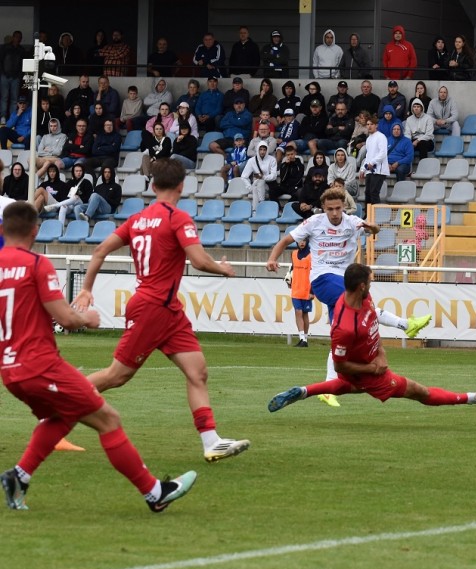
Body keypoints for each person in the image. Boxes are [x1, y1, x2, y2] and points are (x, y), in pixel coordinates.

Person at [0, 202, 198, 513]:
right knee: (109, 420)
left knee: (63, 416)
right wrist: (87, 319)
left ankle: (19, 477)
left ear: (2, 230)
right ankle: (154, 492)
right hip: (40, 366)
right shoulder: (37, 265)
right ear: (36, 230)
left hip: (10, 371)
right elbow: (65, 318)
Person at [73, 159, 250, 463]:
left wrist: (86, 288)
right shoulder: (178, 218)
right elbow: (198, 260)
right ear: (182, 186)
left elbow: (99, 250)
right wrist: (223, 269)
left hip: (168, 310)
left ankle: (211, 441)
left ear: (153, 186)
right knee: (117, 376)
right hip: (154, 307)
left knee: (198, 372)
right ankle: (59, 401)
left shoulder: (138, 219)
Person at [267, 263, 476, 413]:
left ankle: (303, 391)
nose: (373, 284)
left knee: (348, 387)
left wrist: (381, 352)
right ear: (361, 286)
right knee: (421, 393)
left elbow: (374, 328)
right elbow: (340, 364)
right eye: (371, 280)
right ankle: (475, 398)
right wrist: (374, 368)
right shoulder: (344, 326)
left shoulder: (363, 299)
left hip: (369, 363)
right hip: (365, 371)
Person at [265, 191, 432, 378]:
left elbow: (374, 229)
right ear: (324, 208)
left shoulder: (352, 222)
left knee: (338, 334)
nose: (334, 213)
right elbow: (286, 240)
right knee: (363, 299)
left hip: (344, 279)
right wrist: (272, 258)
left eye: (338, 208)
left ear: (343, 206)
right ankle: (404, 324)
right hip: (322, 278)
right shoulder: (314, 222)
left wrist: (372, 228)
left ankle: (329, 386)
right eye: (330, 209)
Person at [359, 114, 388, 207]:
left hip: (379, 170)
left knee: (374, 192)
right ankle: (368, 215)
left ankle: (376, 217)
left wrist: (372, 162)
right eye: (367, 124)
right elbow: (368, 156)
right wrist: (363, 169)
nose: (369, 126)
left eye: (371, 124)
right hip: (370, 170)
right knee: (367, 193)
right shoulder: (368, 139)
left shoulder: (381, 137)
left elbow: (383, 153)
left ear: (376, 125)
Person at [288, 243, 313, 348]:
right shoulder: (293, 254)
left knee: (305, 314)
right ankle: (302, 338)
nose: (302, 243)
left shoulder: (312, 255)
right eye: (299, 241)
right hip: (296, 289)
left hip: (306, 289)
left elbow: (314, 273)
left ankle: (305, 339)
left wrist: (312, 291)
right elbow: (292, 269)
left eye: (304, 240)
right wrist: (289, 278)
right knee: (298, 312)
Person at [241, 143, 278, 210]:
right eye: (260, 149)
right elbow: (244, 176)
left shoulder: (272, 159)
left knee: (260, 182)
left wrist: (263, 177)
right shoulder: (252, 160)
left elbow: (274, 176)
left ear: (267, 150)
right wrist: (249, 187)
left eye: (264, 150)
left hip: (269, 184)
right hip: (256, 184)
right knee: (255, 187)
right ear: (257, 150)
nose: (262, 152)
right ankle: (260, 205)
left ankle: (255, 209)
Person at [0, 31, 25, 124]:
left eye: (20, 37)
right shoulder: (5, 48)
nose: (18, 39)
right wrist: (2, 73)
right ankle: (3, 116)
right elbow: (1, 61)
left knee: (14, 98)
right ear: (13, 37)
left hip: (16, 77)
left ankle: (12, 117)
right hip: (4, 76)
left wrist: (20, 76)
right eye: (16, 37)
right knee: (4, 97)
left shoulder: (21, 50)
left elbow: (23, 64)